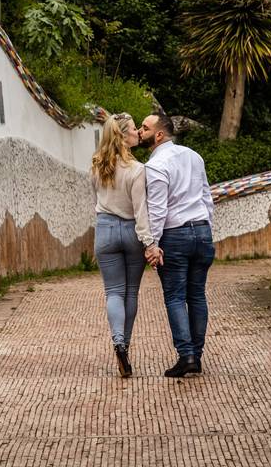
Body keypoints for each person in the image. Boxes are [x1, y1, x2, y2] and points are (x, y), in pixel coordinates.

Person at [138, 112, 215, 377]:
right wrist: (207, 231)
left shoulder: (156, 166)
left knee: (175, 297)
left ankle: (187, 356)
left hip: (175, 235)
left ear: (159, 134)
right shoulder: (194, 156)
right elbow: (207, 198)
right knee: (197, 295)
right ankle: (197, 354)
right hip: (202, 232)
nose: (139, 131)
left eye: (144, 128)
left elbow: (157, 209)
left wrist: (153, 244)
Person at [90, 112, 155, 378]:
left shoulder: (96, 166)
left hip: (105, 229)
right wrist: (149, 242)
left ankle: (118, 343)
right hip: (131, 231)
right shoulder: (137, 169)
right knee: (130, 292)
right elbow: (141, 211)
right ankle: (124, 346)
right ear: (123, 136)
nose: (137, 133)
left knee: (113, 292)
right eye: (133, 130)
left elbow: (95, 200)